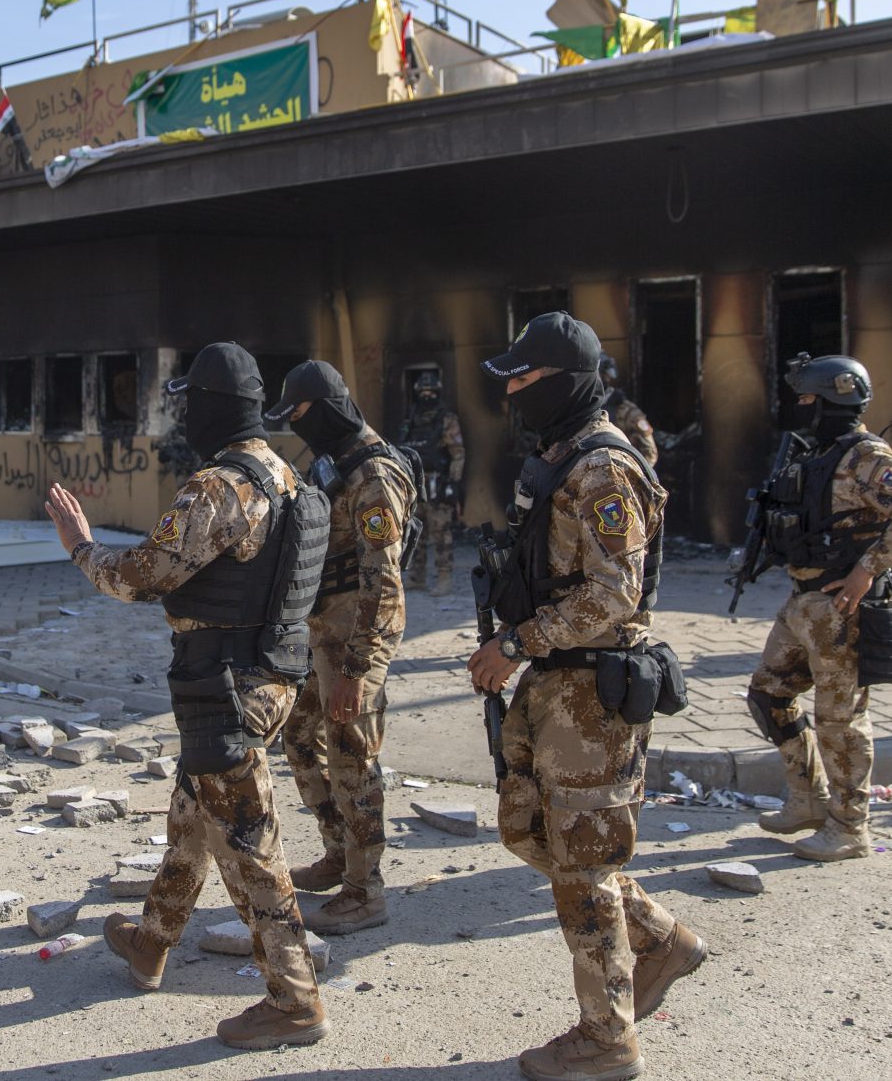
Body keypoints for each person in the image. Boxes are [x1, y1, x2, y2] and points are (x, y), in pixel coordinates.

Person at [43, 342, 329, 1051]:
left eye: (189, 404)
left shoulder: (219, 487)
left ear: (210, 409)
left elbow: (143, 574)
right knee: (192, 813)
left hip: (226, 686)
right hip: (269, 677)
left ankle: (294, 1001)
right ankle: (151, 940)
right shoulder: (287, 476)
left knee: (246, 843)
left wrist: (82, 548)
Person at [466, 313, 702, 1081]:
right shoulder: (558, 457)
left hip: (591, 695)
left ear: (562, 380)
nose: (510, 390)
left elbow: (613, 595)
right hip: (553, 686)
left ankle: (607, 1039)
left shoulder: (604, 469)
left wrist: (512, 645)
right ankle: (661, 940)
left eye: (523, 377)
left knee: (584, 869)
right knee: (530, 831)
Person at [745, 354, 892, 863]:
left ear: (836, 399)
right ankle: (808, 797)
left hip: (842, 606)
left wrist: (867, 569)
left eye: (809, 399)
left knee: (840, 721)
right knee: (768, 694)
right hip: (804, 601)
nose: (802, 407)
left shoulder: (865, 455)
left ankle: (850, 826)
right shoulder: (820, 453)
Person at [267, 360, 416, 936]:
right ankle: (339, 852)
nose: (297, 427)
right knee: (300, 737)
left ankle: (365, 889)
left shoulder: (375, 474)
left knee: (353, 757)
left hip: (358, 636)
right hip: (324, 631)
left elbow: (384, 578)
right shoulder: (339, 460)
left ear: (325, 407)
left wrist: (357, 665)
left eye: (300, 415)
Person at [397, 369, 464, 596]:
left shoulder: (446, 419)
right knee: (415, 533)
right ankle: (417, 577)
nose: (427, 395)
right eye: (422, 392)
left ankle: (444, 577)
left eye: (430, 391)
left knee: (441, 533)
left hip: (437, 482)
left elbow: (457, 453)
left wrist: (453, 483)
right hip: (415, 484)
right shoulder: (411, 417)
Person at [599, 353, 658, 465]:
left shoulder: (626, 411)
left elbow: (650, 452)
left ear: (606, 376)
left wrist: (635, 478)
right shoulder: (581, 409)